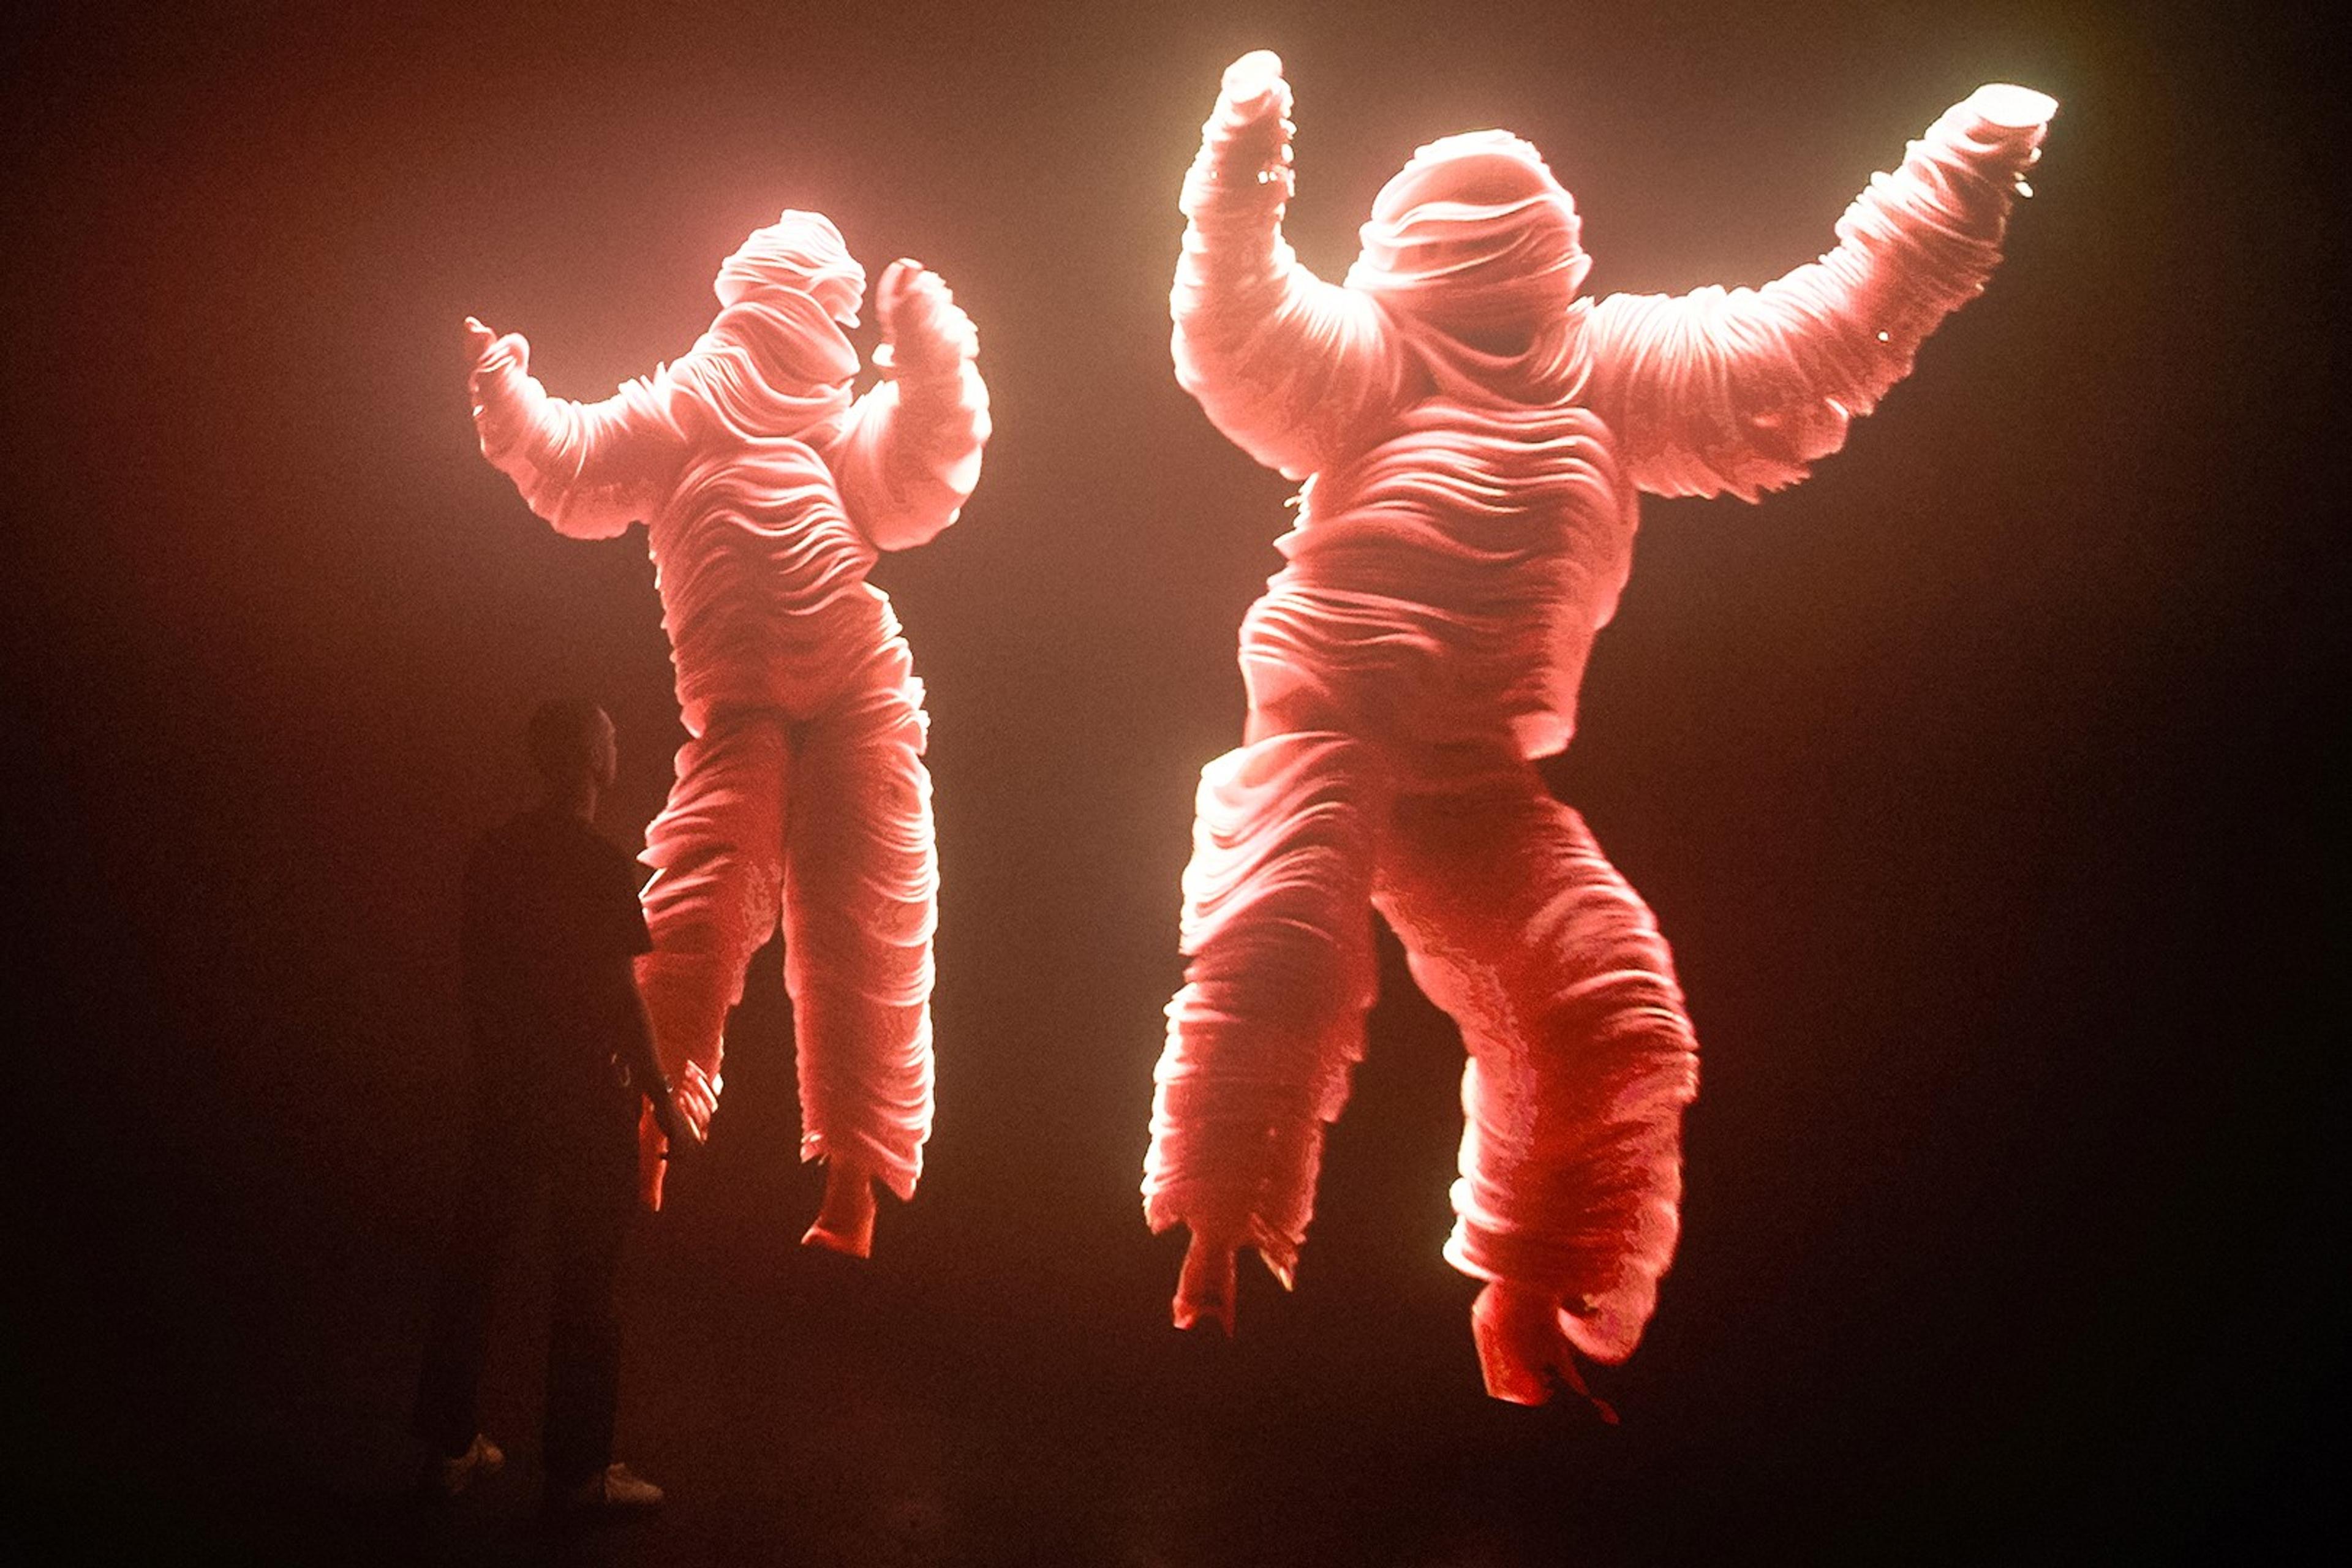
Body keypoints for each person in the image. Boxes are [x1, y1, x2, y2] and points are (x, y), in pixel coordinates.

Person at [1144, 51, 2052, 1406]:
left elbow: (1811, 345)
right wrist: (1237, 169)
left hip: (1477, 783)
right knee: (1281, 948)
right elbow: (1241, 316)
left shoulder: (1606, 373)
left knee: (1611, 1012)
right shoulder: (1373, 362)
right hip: (1330, 731)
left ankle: (1532, 1297)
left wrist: (1957, 180)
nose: (1495, 277)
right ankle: (1214, 1250)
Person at [462, 213, 988, 1254]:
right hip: (744, 704)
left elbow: (923, 460)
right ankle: (652, 1137)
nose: (811, 326)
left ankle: (845, 1193)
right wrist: (506, 397)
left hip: (855, 683)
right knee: (701, 903)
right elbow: (568, 457)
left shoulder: (828, 436)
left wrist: (932, 356)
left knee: (860, 914)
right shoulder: (679, 421)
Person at [413, 699, 710, 1511]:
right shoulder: (601, 866)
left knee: (473, 1271)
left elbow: (478, 981)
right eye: (611, 735)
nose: (620, 744)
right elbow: (623, 999)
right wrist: (666, 1107)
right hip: (585, 1098)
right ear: (590, 756)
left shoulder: (493, 856)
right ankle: (578, 1474)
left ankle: (446, 1448)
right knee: (586, 1286)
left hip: (507, 1093)